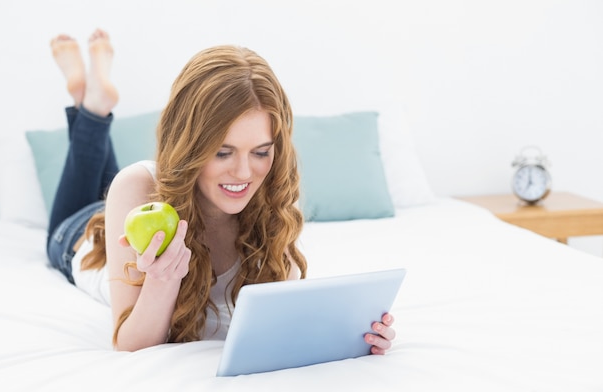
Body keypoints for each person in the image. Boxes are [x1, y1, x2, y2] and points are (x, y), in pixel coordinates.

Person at [46, 29, 396, 353]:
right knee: (99, 189)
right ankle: (91, 107)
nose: (244, 173)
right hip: (78, 237)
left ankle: (87, 102)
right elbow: (131, 346)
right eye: (223, 152)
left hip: (139, 202)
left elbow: (289, 321)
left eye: (260, 151)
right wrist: (161, 281)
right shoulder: (137, 187)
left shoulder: (271, 193)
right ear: (190, 145)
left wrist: (358, 337)